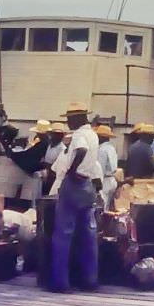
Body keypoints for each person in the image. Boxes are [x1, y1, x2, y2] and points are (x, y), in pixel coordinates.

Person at [50, 102, 102, 292]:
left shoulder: (79, 135)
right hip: (88, 185)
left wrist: (71, 171)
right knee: (88, 234)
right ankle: (90, 280)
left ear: (77, 119)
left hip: (74, 183)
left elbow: (81, 150)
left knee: (63, 235)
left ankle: (60, 282)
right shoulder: (94, 135)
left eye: (70, 119)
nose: (68, 123)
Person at [95, 125, 118, 209]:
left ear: (101, 137)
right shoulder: (111, 148)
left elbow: (100, 169)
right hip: (112, 179)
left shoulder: (101, 150)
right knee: (108, 207)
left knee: (101, 206)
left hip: (104, 181)